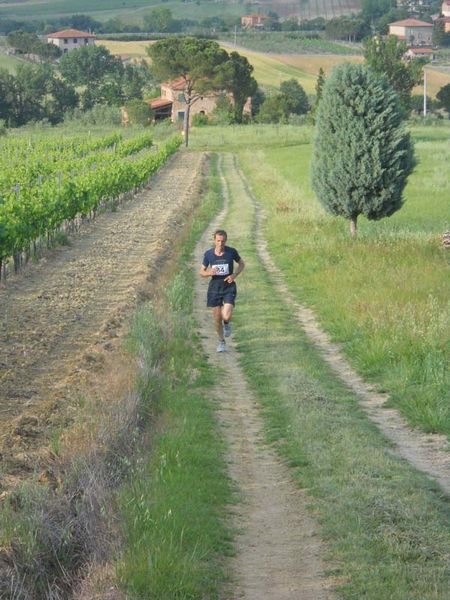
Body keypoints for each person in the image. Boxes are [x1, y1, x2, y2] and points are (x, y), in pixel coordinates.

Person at [199, 229, 245, 352]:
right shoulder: (208, 254)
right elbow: (201, 272)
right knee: (217, 318)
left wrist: (234, 275)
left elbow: (242, 264)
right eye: (218, 241)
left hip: (229, 287)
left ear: (226, 240)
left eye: (223, 241)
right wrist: (209, 273)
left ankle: (227, 323)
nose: (221, 243)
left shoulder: (231, 252)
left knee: (226, 315)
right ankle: (221, 341)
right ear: (214, 240)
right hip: (214, 288)